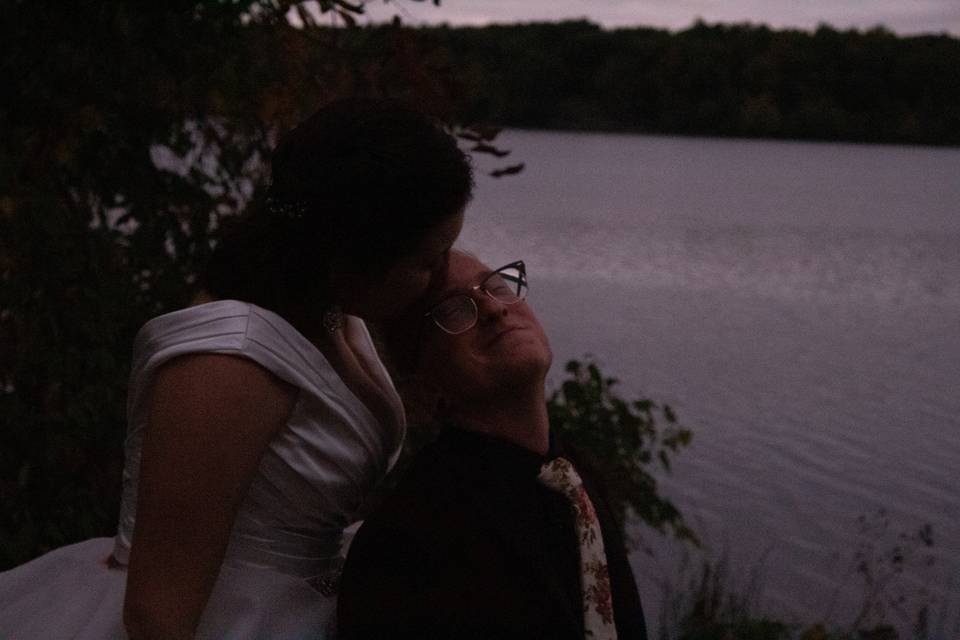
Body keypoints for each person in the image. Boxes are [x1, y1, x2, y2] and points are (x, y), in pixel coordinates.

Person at [0, 98, 473, 639]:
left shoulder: (333, 316)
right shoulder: (228, 365)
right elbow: (158, 616)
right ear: (355, 253)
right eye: (426, 261)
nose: (440, 279)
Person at [336, 251, 647, 639]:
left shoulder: (572, 478)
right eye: (454, 310)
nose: (493, 308)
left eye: (496, 285)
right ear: (423, 390)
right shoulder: (413, 540)